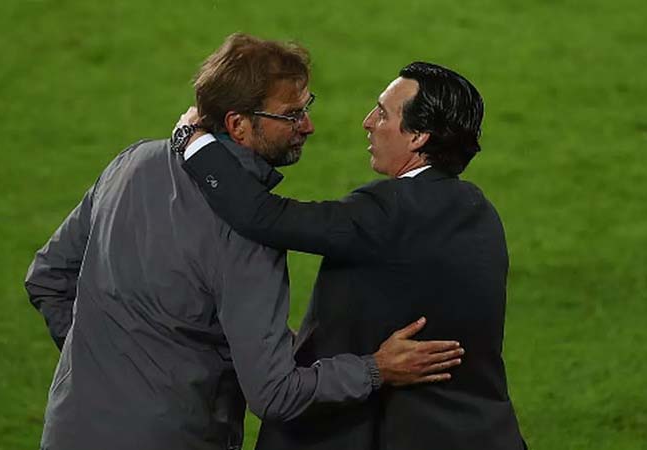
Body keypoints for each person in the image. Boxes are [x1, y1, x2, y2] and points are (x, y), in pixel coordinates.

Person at [24, 34, 464, 450]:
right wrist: (376, 369)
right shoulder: (248, 236)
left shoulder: (131, 164)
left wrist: (105, 373)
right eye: (291, 115)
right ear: (238, 124)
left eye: (305, 107)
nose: (307, 126)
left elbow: (46, 278)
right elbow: (275, 393)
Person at [180, 62, 527, 449]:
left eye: (382, 113)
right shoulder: (479, 211)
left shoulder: (393, 209)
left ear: (418, 137)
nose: (367, 122)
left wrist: (194, 141)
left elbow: (263, 217)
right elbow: (395, 298)